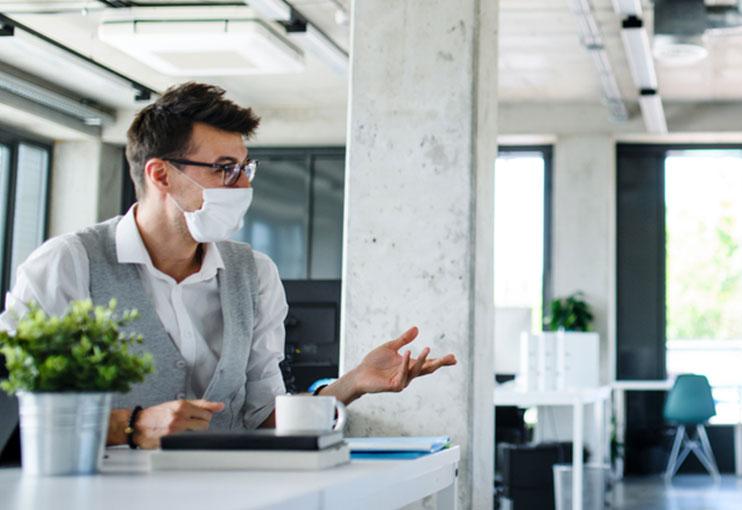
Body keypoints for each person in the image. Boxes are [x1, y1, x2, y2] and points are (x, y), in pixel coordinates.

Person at [0, 82, 456, 449]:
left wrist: (352, 383)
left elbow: (262, 419)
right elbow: (13, 413)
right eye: (224, 169)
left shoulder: (255, 274)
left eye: (244, 169)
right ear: (161, 174)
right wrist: (131, 425)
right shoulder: (68, 264)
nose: (241, 187)